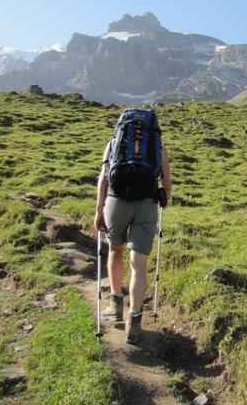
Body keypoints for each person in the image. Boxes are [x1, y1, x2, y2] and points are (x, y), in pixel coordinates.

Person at [93, 131, 171, 344]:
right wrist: (161, 199)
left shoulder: (113, 143)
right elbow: (167, 182)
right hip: (146, 205)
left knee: (115, 251)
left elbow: (103, 177)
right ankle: (134, 322)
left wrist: (99, 210)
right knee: (138, 264)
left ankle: (115, 305)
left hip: (115, 202)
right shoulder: (157, 146)